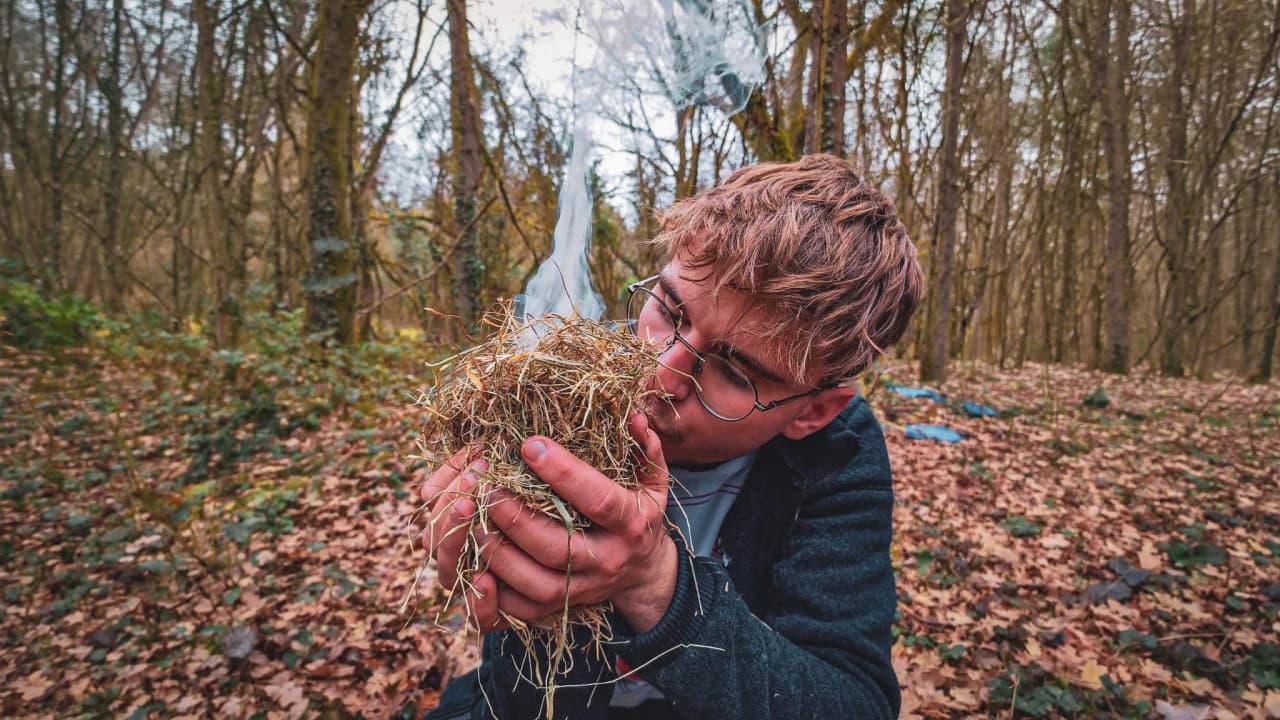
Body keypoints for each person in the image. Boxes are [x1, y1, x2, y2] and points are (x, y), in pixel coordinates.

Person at [420, 153, 924, 720]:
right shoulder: (561, 384)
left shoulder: (837, 455)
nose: (659, 371)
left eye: (733, 370)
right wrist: (481, 545)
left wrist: (657, 584)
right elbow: (518, 686)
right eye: (668, 308)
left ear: (814, 411)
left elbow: (854, 702)